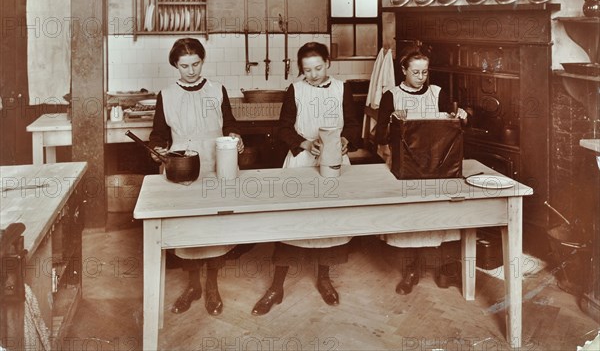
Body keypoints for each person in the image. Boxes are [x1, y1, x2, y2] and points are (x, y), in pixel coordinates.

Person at [251, 42, 361, 316]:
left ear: (328, 62)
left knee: (329, 222)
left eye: (318, 68)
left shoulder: (342, 88)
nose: (312, 75)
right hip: (302, 162)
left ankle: (324, 278)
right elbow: (283, 129)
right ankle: (277, 286)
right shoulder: (296, 90)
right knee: (291, 222)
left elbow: (354, 125)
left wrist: (346, 139)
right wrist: (303, 143)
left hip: (334, 163)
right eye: (307, 70)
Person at [149, 37, 247, 316]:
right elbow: (158, 133)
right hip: (182, 167)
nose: (191, 71)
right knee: (186, 230)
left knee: (215, 228)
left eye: (196, 64)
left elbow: (229, 124)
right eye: (184, 66)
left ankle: (212, 285)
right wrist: (157, 148)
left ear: (203, 61)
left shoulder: (217, 90)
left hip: (216, 164)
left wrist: (235, 136)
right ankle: (193, 285)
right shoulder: (166, 94)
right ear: (175, 66)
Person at [374, 48, 467, 295]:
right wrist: (393, 119)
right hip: (406, 168)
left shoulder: (437, 93)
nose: (421, 77)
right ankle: (412, 271)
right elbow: (379, 136)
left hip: (438, 165)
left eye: (425, 72)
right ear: (403, 70)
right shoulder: (391, 96)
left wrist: (461, 114)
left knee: (441, 216)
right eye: (415, 72)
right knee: (413, 218)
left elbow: (453, 122)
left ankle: (447, 269)